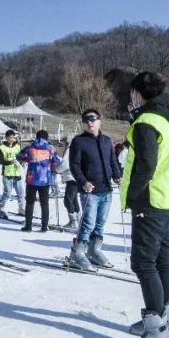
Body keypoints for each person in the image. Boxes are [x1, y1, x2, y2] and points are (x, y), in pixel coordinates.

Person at [120, 71, 169, 338]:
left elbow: (145, 166)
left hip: (151, 198)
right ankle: (164, 316)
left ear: (137, 93)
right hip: (168, 196)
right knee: (161, 258)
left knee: (143, 263)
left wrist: (133, 195)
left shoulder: (146, 122)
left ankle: (157, 330)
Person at [67, 109, 121, 270]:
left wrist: (117, 175)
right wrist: (83, 181)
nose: (89, 122)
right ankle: (77, 254)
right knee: (88, 223)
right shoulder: (79, 141)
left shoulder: (106, 141)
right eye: (86, 120)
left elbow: (113, 161)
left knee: (100, 223)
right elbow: (74, 165)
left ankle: (94, 250)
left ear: (99, 121)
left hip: (106, 189)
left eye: (93, 119)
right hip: (89, 190)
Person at [16, 130, 61, 233]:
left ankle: (28, 226)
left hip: (32, 179)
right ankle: (44, 227)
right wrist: (51, 165)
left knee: (30, 202)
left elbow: (19, 156)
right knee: (44, 203)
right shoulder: (51, 149)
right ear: (47, 137)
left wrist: (29, 160)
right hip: (45, 180)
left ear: (36, 137)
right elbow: (57, 161)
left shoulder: (30, 147)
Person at [0, 129, 25, 218]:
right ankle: (0, 208)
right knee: (7, 193)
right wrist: (11, 162)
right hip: (7, 174)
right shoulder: (2, 148)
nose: (12, 139)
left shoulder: (17, 147)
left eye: (13, 137)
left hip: (17, 173)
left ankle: (21, 209)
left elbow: (20, 157)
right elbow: (1, 161)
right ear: (6, 138)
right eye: (10, 138)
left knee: (21, 192)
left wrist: (22, 161)